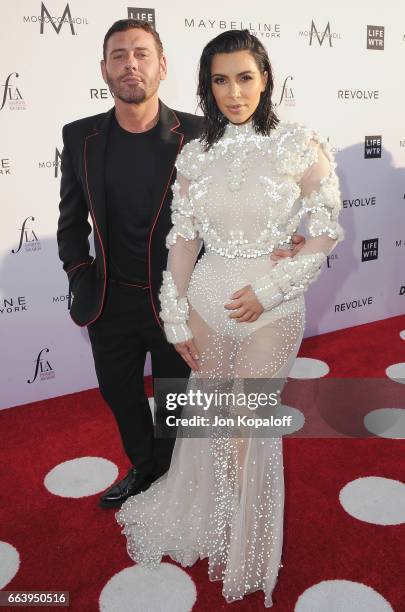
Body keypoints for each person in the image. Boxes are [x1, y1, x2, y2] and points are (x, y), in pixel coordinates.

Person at [116, 29, 344, 607]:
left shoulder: (299, 144)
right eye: (221, 80)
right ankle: (217, 519)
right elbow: (185, 237)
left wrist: (270, 288)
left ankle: (250, 547)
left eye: (245, 77)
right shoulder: (195, 153)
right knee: (218, 418)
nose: (234, 92)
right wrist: (174, 311)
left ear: (265, 78)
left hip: (274, 305)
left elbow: (324, 231)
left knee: (249, 422)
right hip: (206, 305)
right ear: (207, 85)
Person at [56, 20, 305, 509]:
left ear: (162, 66)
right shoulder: (80, 135)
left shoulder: (199, 134)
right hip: (109, 300)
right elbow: (70, 219)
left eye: (142, 54)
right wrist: (78, 273)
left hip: (182, 300)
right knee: (120, 395)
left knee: (177, 402)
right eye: (119, 55)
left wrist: (285, 237)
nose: (131, 64)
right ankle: (143, 468)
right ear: (104, 69)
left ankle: (169, 477)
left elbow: (246, 195)